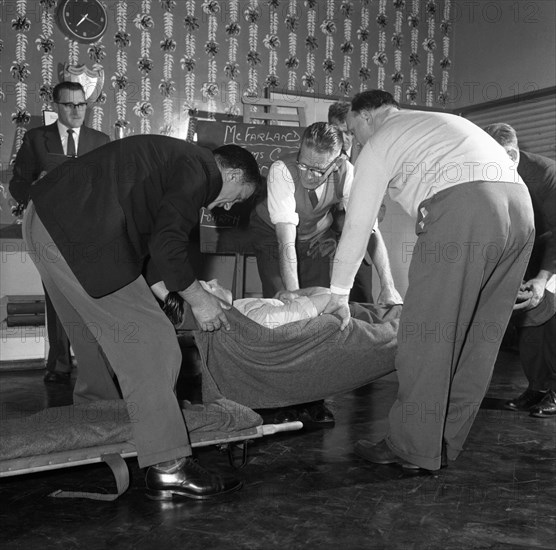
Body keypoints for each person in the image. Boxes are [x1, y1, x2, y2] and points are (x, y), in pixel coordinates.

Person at [23, 134, 261, 500]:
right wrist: (200, 299)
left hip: (45, 220)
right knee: (155, 344)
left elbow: (147, 241)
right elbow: (167, 243)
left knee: (93, 337)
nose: (227, 206)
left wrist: (173, 289)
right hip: (79, 232)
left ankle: (100, 418)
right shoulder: (200, 170)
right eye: (238, 197)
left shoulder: (171, 161)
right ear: (230, 174)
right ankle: (169, 467)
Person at [324, 90, 535, 472]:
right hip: (520, 209)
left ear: (368, 115)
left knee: (425, 333)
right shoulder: (438, 121)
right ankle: (443, 441)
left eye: (353, 130)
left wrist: (338, 293)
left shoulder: (381, 139)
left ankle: (411, 447)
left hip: (468, 208)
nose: (353, 142)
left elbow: (357, 224)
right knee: (479, 336)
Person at [9, 81, 110, 385]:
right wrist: (36, 188)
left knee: (95, 296)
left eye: (82, 104)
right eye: (69, 105)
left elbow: (109, 187)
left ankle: (102, 367)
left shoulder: (101, 140)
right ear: (56, 106)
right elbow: (17, 184)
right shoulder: (37, 139)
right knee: (56, 298)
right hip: (49, 230)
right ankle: (59, 365)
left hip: (89, 232)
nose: (77, 110)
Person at [484, 123, 556, 418]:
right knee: (526, 318)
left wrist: (542, 278)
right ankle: (538, 387)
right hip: (531, 246)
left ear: (511, 153)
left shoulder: (545, 174)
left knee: (551, 311)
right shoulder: (491, 169)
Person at [328, 101, 393, 304]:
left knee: (363, 299)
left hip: (360, 234)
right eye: (339, 132)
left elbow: (375, 212)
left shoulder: (367, 152)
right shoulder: (318, 153)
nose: (345, 139)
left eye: (349, 132)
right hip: (324, 240)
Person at [151, 279, 331, 329]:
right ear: (208, 306)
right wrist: (296, 294)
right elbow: (329, 296)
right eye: (210, 286)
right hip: (339, 316)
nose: (215, 280)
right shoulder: (257, 319)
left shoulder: (240, 307)